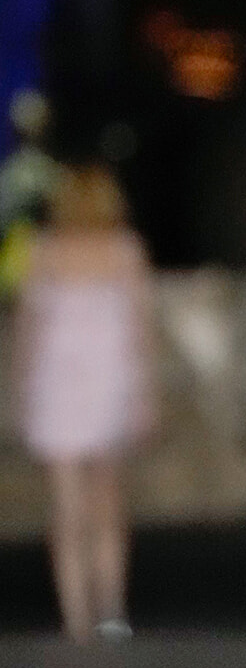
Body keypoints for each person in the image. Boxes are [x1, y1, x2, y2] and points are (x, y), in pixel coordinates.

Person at [14, 163, 157, 641]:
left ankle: (75, 617)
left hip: (56, 386)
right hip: (109, 384)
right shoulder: (125, 251)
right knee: (107, 506)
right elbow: (140, 331)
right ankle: (111, 609)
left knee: (66, 509)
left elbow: (28, 331)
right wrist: (144, 395)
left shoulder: (43, 251)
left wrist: (20, 392)